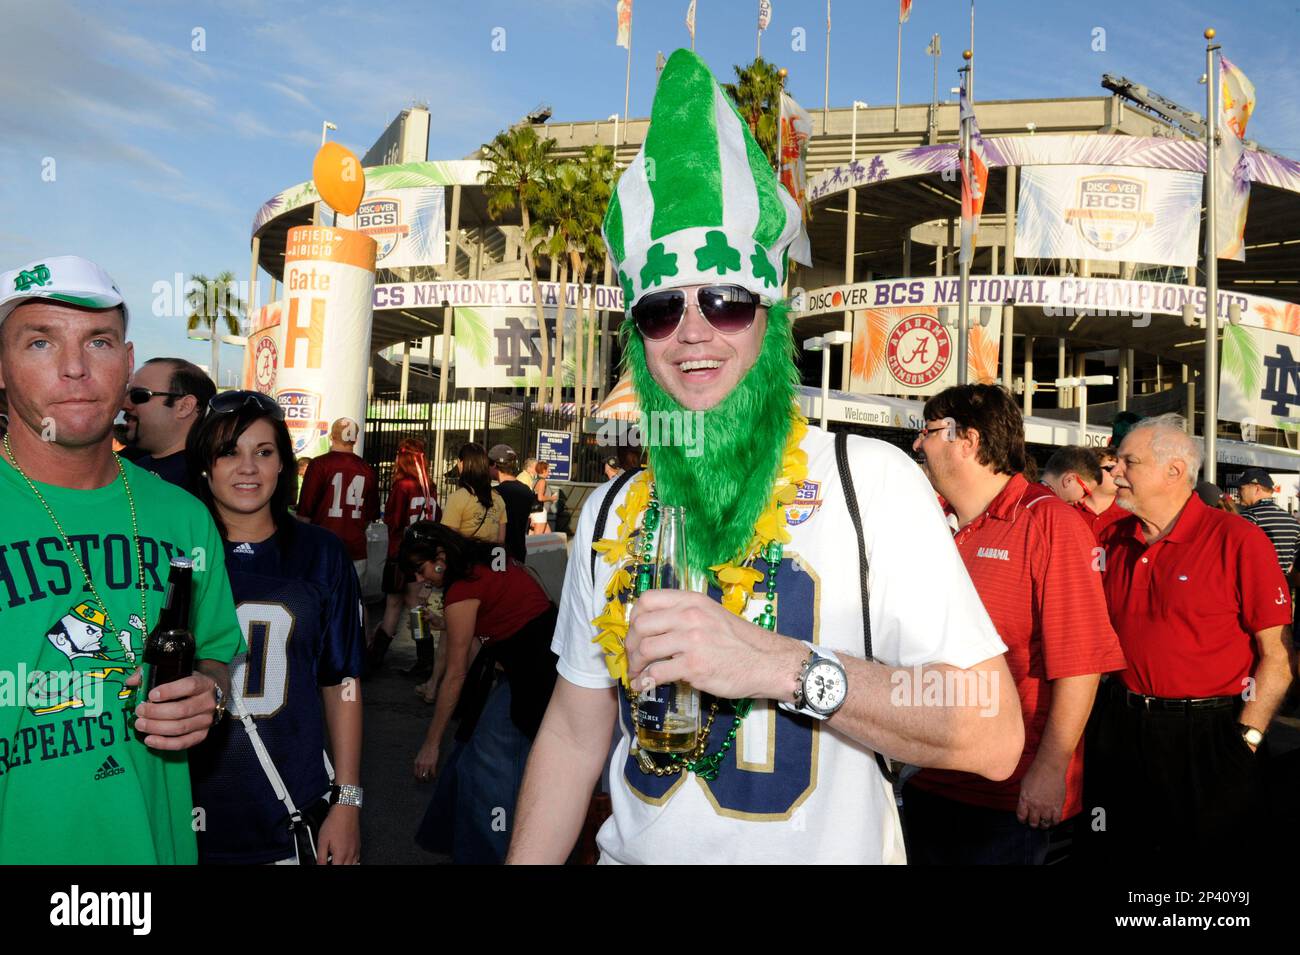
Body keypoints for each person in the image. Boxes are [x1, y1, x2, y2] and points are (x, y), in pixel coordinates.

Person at [505, 50, 1023, 866]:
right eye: (661, 309)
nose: (695, 330)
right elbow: (574, 734)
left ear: (772, 319)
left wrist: (780, 666)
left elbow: (990, 727)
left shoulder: (871, 484)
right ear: (639, 341)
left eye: (726, 299)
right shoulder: (610, 513)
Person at [0, 254, 243, 864]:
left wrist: (208, 696)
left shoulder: (185, 517)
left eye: (99, 342)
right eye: (39, 343)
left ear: (128, 364)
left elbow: (217, 652)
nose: (76, 368)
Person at [904, 385, 1125, 864]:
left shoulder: (1050, 524)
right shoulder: (930, 521)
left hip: (1007, 797)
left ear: (969, 442)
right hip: (925, 777)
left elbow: (1082, 665)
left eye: (929, 431)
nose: (919, 445)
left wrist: (1050, 770)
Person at [1090, 413, 1294, 861]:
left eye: (1129, 461)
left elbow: (1277, 657)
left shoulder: (1238, 539)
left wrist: (1248, 739)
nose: (1114, 472)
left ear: (1174, 472)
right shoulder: (1110, 536)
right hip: (1121, 727)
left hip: (1211, 734)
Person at [186, 391, 364, 864]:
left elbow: (340, 681)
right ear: (205, 464)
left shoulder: (322, 554)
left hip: (287, 807)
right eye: (229, 452)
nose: (248, 468)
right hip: (179, 806)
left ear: (283, 464)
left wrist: (347, 804)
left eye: (263, 452)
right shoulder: (172, 550)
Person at [401, 522, 559, 863]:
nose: (420, 578)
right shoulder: (481, 561)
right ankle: (463, 842)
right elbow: (509, 606)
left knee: (489, 770)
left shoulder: (463, 588)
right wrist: (451, 623)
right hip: (540, 665)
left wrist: (431, 743)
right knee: (473, 753)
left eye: (421, 568)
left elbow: (456, 674)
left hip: (535, 677)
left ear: (441, 556)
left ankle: (499, 853)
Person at [371, 438, 437, 674]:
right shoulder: (429, 485)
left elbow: (393, 521)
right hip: (422, 555)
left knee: (394, 605)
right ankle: (424, 658)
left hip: (400, 554)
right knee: (416, 606)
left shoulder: (403, 486)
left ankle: (375, 658)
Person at [296, 417, 380, 585]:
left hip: (322, 546)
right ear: (355, 439)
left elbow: (305, 512)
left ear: (331, 437)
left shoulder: (319, 464)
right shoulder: (367, 469)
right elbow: (369, 517)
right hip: (355, 547)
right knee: (353, 604)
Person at [121, 357, 215, 493]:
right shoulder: (126, 465)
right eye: (125, 394)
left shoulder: (209, 483)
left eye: (139, 395)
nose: (124, 405)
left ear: (184, 406)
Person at [1041, 445, 1126, 540]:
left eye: (1122, 469)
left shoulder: (1131, 514)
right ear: (1092, 472)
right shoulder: (1065, 508)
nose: (1118, 473)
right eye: (1110, 468)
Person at [1236, 467, 1300, 577]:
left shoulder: (1249, 516)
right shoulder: (1291, 520)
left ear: (1257, 488)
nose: (1238, 493)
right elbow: (1296, 561)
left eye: (1241, 488)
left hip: (1257, 583)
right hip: (1283, 588)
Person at [441, 441, 506, 545]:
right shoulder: (498, 498)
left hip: (466, 559)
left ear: (461, 464)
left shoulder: (457, 498)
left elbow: (449, 539)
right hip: (491, 559)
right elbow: (501, 540)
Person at [489, 443, 535, 564]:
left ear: (494, 465)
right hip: (519, 551)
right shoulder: (526, 491)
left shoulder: (495, 493)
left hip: (498, 553)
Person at [529, 459, 555, 534]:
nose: (549, 472)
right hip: (540, 512)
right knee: (537, 539)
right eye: (548, 470)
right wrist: (551, 498)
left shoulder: (535, 480)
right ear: (543, 470)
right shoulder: (542, 481)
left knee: (548, 537)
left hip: (534, 511)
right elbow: (540, 498)